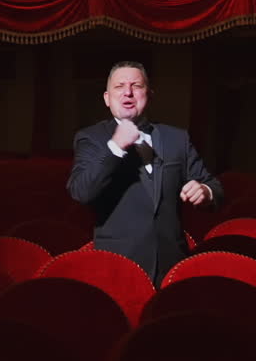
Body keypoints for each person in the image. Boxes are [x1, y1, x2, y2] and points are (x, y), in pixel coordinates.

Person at [67, 60, 223, 285]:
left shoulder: (177, 138)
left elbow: (215, 188)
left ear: (148, 94)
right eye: (119, 87)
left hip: (172, 264)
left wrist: (205, 191)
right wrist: (115, 147)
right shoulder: (91, 138)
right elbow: (81, 191)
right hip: (118, 266)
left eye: (136, 86)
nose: (128, 92)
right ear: (107, 98)